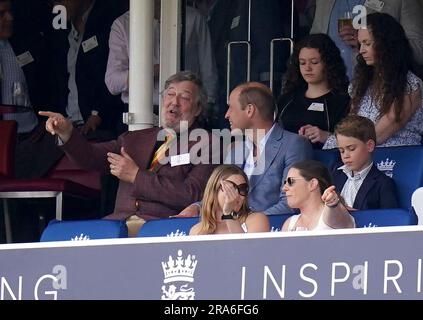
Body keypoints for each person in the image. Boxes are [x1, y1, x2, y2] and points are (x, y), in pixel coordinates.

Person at [40, 71, 216, 236]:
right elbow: (90, 157)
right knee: (59, 237)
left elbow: (192, 194)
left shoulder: (207, 142)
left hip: (163, 227)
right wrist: (67, 133)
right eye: (170, 94)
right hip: (116, 226)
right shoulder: (133, 139)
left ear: (198, 108)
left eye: (184, 97)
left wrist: (136, 176)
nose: (174, 102)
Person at [178, 82, 313, 217]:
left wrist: (251, 225)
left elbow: (291, 204)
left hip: (270, 232)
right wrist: (197, 207)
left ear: (249, 110)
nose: (226, 115)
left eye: (231, 107)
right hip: (232, 229)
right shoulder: (236, 150)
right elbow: (221, 194)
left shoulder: (294, 144)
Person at [324, 12, 423, 149]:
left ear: (386, 44)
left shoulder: (409, 83)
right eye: (360, 44)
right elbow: (352, 125)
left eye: (367, 43)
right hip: (361, 154)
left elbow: (382, 133)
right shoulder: (362, 84)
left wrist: (345, 146)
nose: (361, 50)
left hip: (396, 159)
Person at [0, 0, 63, 179]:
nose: (10, 18)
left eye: (10, 12)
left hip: (31, 135)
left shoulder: (24, 44)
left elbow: (48, 85)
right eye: (1, 14)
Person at [49, 0, 126, 139]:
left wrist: (98, 114)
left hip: (100, 128)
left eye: (61, 0)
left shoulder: (108, 21)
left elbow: (112, 75)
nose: (57, 6)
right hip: (69, 124)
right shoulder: (61, 33)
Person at [310, 0, 423, 78]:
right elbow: (313, 42)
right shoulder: (323, 1)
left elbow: (419, 50)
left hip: (379, 91)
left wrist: (369, 40)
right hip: (330, 91)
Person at [277, 33, 350, 149]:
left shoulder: (342, 100)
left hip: (325, 163)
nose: (307, 68)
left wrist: (326, 136)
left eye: (314, 62)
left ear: (329, 63)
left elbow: (353, 139)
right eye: (302, 63)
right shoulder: (287, 99)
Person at [105, 10, 160, 131]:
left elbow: (208, 72)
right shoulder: (123, 24)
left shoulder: (192, 18)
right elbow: (112, 82)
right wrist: (150, 72)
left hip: (183, 114)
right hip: (136, 117)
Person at [332, 115, 398, 210]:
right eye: (341, 151)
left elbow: (389, 219)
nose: (345, 155)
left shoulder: (383, 184)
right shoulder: (335, 175)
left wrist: (359, 216)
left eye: (351, 149)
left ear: (370, 146)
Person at [189, 165, 269, 235]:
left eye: (242, 189)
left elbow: (245, 249)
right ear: (214, 191)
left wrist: (229, 213)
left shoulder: (257, 220)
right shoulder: (197, 230)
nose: (236, 195)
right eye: (230, 188)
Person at [281, 160, 355, 231]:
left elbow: (336, 215)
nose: (284, 188)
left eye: (290, 181)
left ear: (312, 184)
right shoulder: (289, 224)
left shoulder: (331, 214)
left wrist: (332, 203)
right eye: (285, 182)